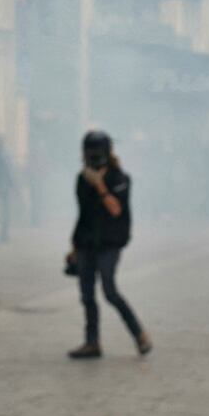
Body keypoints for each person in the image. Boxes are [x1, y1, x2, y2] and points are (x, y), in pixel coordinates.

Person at [66, 131, 150, 359]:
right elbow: (82, 214)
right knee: (86, 295)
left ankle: (139, 334)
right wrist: (74, 246)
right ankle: (92, 342)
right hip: (86, 242)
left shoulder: (119, 178)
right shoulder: (82, 179)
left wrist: (100, 186)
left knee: (110, 291)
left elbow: (115, 209)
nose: (92, 157)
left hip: (109, 243)